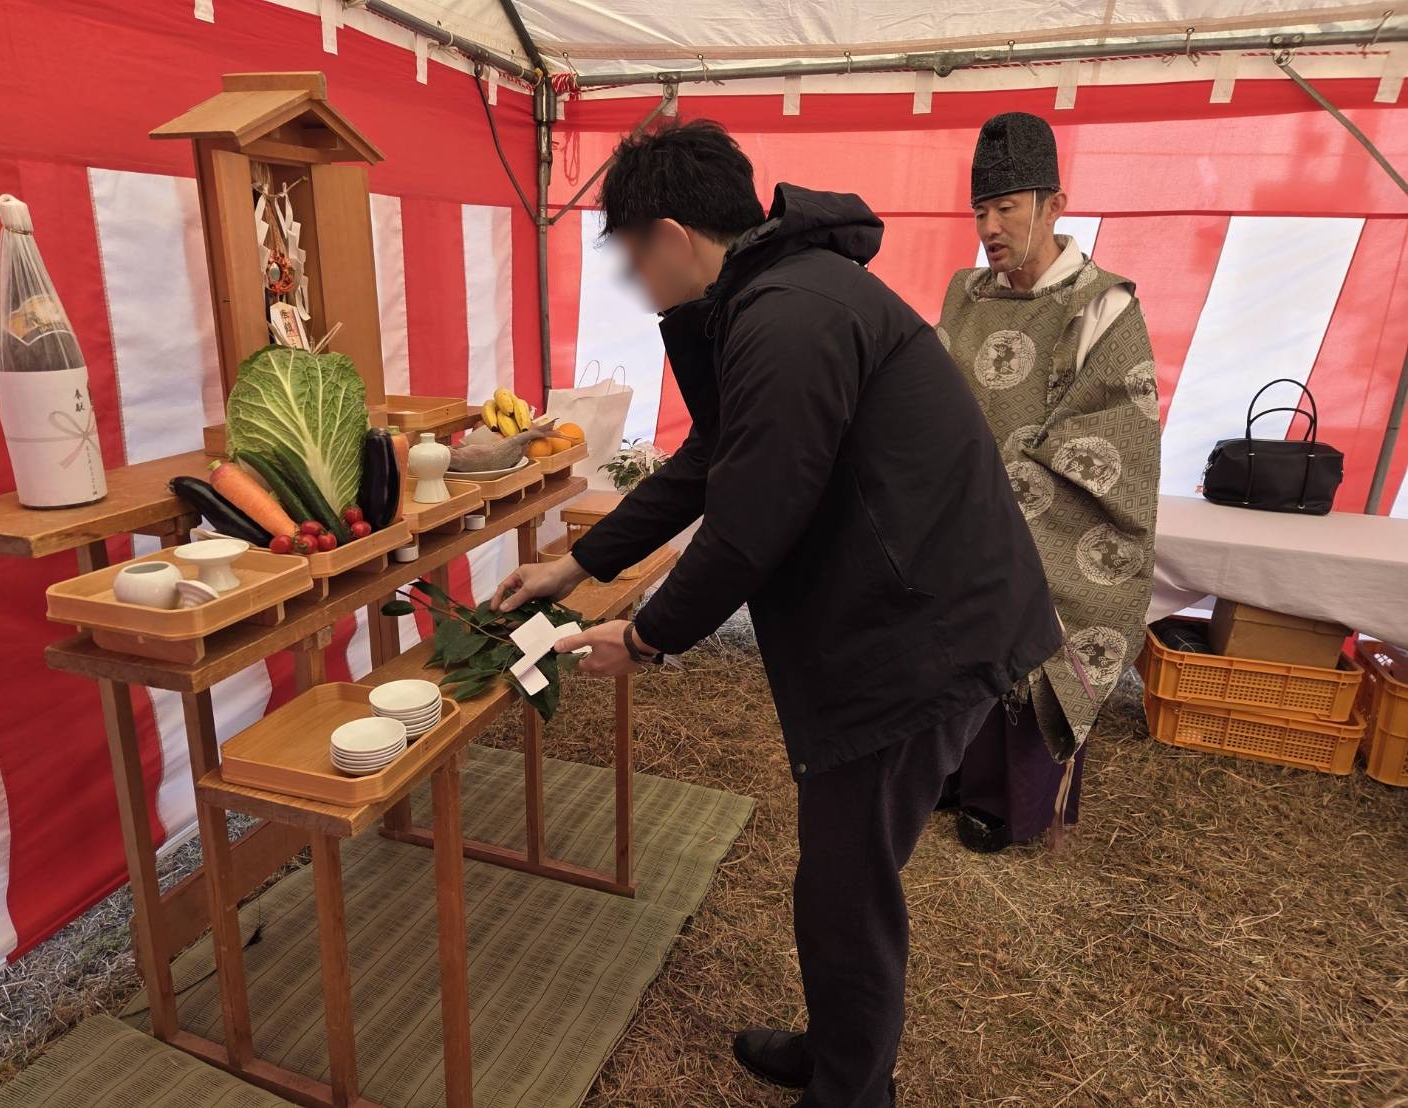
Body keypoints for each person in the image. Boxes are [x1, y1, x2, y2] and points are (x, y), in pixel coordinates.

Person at [489, 119, 1059, 1108]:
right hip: (908, 613)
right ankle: (842, 1053)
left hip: (920, 634)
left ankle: (850, 1091)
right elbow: (712, 460)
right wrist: (575, 564)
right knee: (839, 875)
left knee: (848, 888)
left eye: (629, 260)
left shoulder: (785, 316)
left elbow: (752, 521)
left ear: (669, 234)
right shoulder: (775, 297)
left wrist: (650, 636)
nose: (634, 283)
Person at [936, 112, 1161, 854]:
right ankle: (949, 780)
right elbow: (934, 397)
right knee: (953, 638)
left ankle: (1007, 807)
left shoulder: (1102, 304)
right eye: (979, 210)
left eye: (1004, 207)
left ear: (1053, 205)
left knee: (1031, 645)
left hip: (1048, 514)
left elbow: (1112, 434)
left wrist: (1006, 488)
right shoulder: (965, 294)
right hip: (967, 507)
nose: (988, 226)